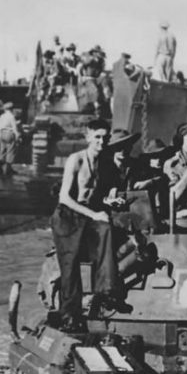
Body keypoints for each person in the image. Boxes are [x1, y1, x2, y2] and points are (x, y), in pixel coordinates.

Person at [50, 120, 128, 333]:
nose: (101, 141)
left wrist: (109, 200)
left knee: (107, 230)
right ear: (88, 137)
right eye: (97, 137)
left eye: (105, 137)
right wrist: (95, 214)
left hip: (86, 216)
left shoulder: (104, 163)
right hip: (67, 217)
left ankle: (105, 290)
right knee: (70, 263)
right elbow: (64, 197)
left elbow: (101, 193)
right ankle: (69, 315)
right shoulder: (76, 160)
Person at [0, 102, 19, 176]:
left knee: (2, 151)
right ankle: (7, 170)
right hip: (9, 134)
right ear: (11, 109)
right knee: (10, 151)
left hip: (2, 133)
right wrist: (17, 136)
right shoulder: (12, 116)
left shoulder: (2, 116)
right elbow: (14, 128)